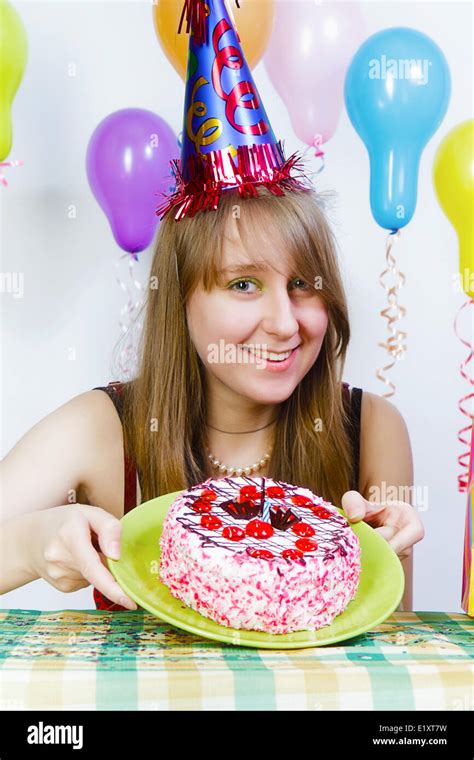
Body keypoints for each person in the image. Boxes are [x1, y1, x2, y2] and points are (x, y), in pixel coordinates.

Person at [0, 0, 424, 614]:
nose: (285, 322)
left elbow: (389, 663)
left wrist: (378, 556)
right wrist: (29, 544)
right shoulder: (104, 429)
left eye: (304, 283)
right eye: (243, 284)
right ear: (181, 299)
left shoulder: (372, 430)